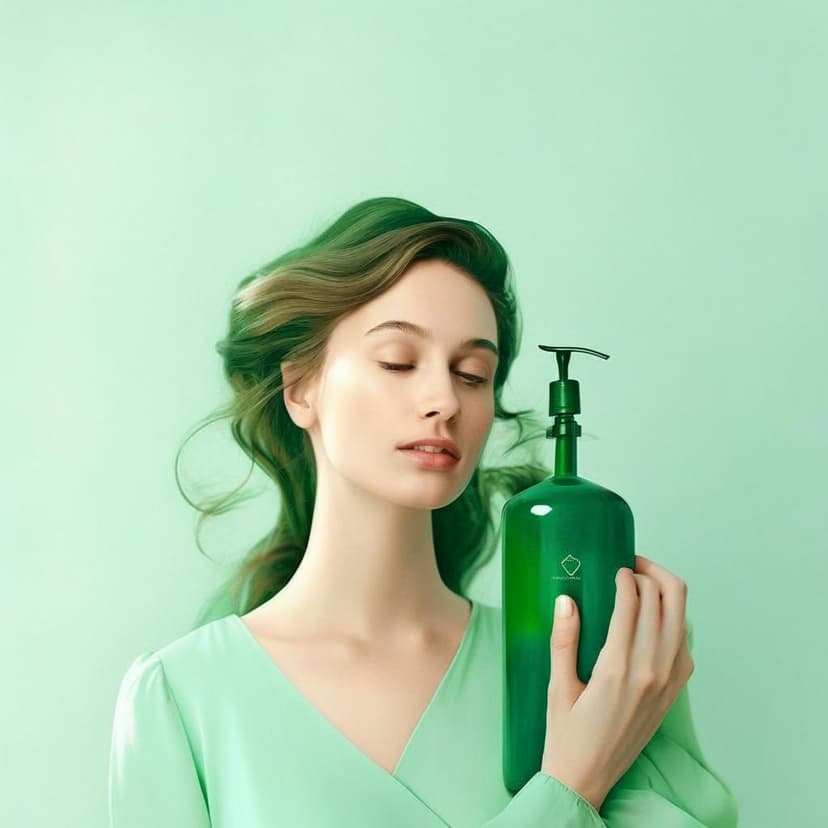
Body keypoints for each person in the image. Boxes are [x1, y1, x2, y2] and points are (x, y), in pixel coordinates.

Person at [108, 196, 739, 826]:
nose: (444, 399)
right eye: (398, 362)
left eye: (472, 374)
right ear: (300, 387)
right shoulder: (180, 699)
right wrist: (570, 787)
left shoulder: (591, 666)